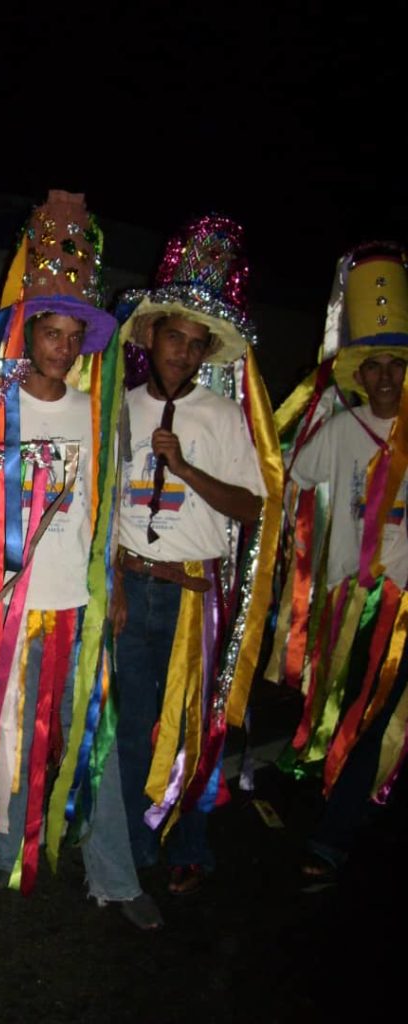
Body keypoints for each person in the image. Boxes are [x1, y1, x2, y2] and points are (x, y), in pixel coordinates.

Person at [0, 189, 166, 929]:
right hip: (6, 605)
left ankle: (115, 877)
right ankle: (4, 842)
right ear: (27, 333)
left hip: (78, 605)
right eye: (53, 332)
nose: (65, 346)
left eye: (75, 334)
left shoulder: (98, 413)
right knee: (7, 734)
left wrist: (116, 587)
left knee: (95, 745)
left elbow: (105, 509)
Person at [103, 214, 281, 897]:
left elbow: (251, 507)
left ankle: (190, 843)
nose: (181, 351)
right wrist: (114, 582)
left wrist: (186, 468)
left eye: (194, 343)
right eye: (173, 337)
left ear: (205, 353)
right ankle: (133, 849)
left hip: (188, 599)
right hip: (132, 593)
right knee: (129, 733)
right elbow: (109, 507)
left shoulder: (221, 417)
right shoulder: (121, 408)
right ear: (151, 339)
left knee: (186, 729)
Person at [271, 241, 408, 884]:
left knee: (379, 718)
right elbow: (293, 475)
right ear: (362, 375)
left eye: (395, 366)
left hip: (406, 608)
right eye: (374, 366)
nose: (385, 377)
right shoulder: (344, 431)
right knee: (352, 713)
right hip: (353, 603)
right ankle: (337, 817)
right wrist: (319, 415)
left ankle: (337, 829)